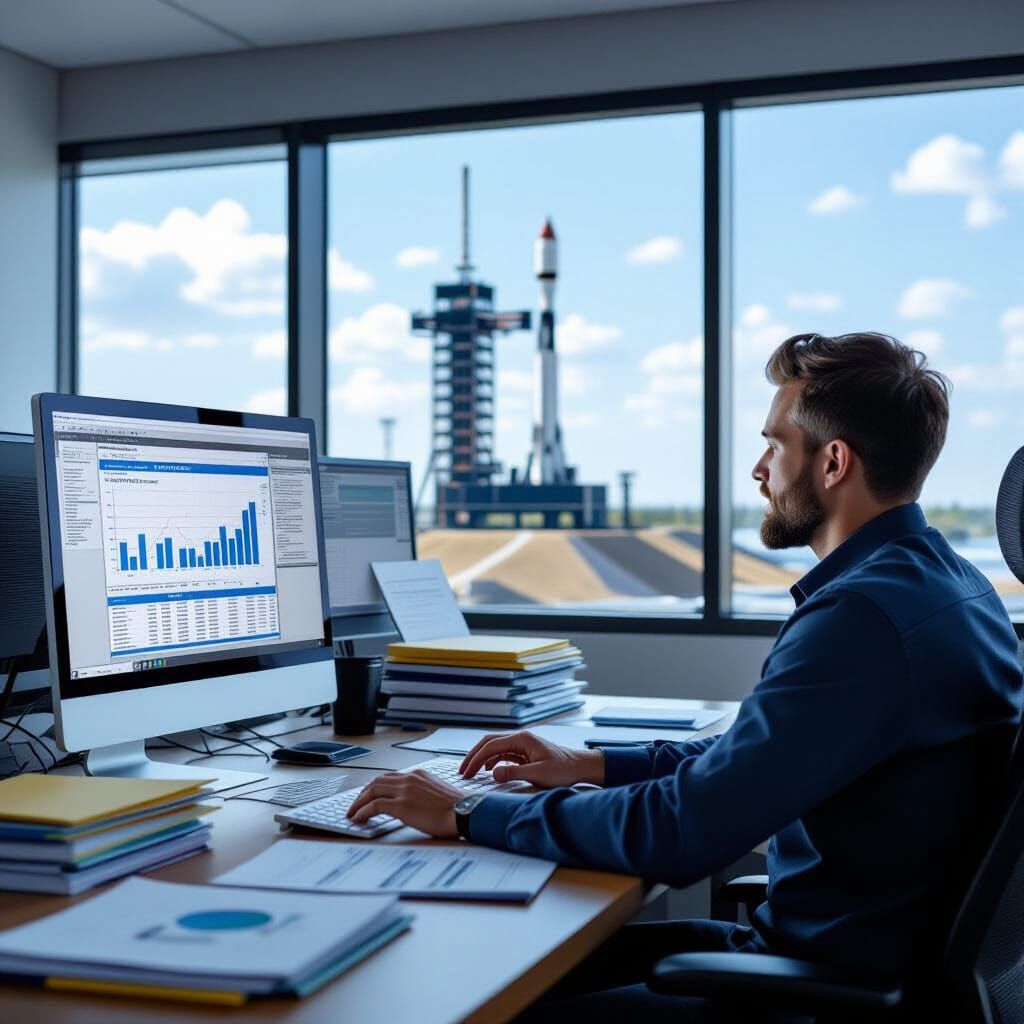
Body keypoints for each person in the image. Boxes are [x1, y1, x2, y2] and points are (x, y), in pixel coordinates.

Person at [348, 332, 1024, 1020]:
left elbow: (686, 831)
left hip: (819, 989)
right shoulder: (952, 587)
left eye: (774, 445)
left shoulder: (861, 618)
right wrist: (592, 765)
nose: (760, 470)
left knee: (466, 1002)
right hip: (837, 955)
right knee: (498, 968)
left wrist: (468, 811)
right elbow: (754, 760)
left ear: (833, 462)